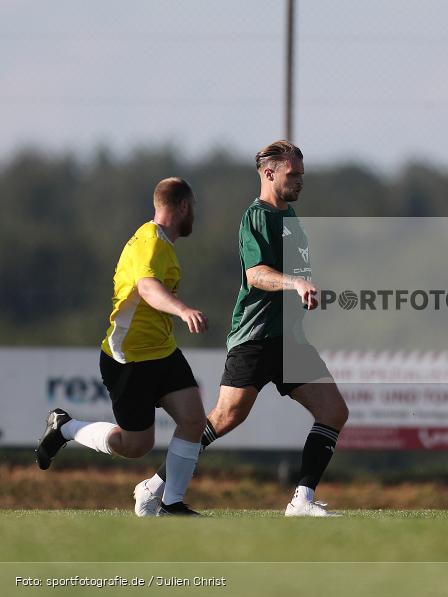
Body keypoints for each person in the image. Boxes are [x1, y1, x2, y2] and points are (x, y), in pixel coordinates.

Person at [132, 140, 349, 517]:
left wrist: (307, 290)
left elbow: (293, 275)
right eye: (292, 174)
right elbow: (257, 274)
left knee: (333, 411)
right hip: (256, 337)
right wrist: (294, 284)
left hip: (290, 342)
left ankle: (302, 500)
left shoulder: (292, 218)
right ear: (269, 173)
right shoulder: (256, 217)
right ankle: (154, 486)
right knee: (224, 418)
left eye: (301, 174)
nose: (300, 181)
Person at [36, 177, 207, 516]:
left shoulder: (161, 242)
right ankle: (65, 428)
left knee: (193, 420)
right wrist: (182, 309)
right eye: (194, 208)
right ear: (184, 206)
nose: (195, 216)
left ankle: (171, 503)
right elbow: (147, 288)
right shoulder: (150, 244)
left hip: (163, 351)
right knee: (135, 446)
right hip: (129, 359)